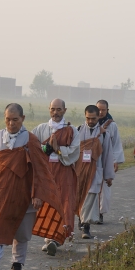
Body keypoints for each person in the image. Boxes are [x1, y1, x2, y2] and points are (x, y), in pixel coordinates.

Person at [0, 103, 63, 270]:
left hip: (24, 195)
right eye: (8, 119)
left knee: (21, 233)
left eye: (15, 120)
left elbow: (40, 169)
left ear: (22, 119)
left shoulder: (30, 140)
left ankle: (17, 265)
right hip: (0, 194)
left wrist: (37, 193)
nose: (11, 123)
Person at [32, 98, 79, 256]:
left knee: (64, 203)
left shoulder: (72, 130)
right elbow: (33, 148)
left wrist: (58, 150)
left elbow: (74, 151)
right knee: (47, 203)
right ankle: (48, 238)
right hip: (46, 172)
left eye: (59, 109)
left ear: (65, 110)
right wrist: (47, 147)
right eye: (53, 109)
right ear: (49, 109)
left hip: (64, 171)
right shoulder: (40, 129)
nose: (55, 112)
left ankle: (58, 239)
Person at [75, 105, 113, 239]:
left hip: (95, 171)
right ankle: (81, 218)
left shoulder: (104, 134)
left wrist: (108, 176)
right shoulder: (77, 131)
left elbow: (108, 155)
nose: (90, 121)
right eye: (88, 118)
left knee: (90, 197)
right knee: (80, 197)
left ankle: (86, 226)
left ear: (98, 117)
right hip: (79, 171)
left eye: (93, 118)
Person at [95, 100, 123, 224]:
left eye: (103, 110)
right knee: (91, 188)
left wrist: (115, 160)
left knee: (105, 188)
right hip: (93, 161)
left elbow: (116, 144)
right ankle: (90, 213)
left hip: (107, 159)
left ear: (107, 110)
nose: (101, 112)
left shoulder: (112, 125)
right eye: (98, 109)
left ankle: (100, 213)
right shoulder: (89, 123)